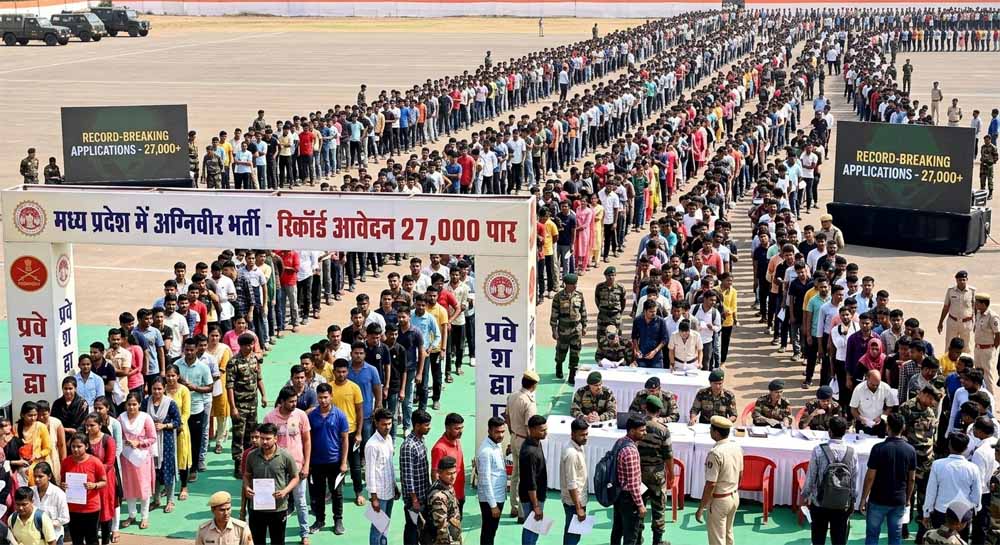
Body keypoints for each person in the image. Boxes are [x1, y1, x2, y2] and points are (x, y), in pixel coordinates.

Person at [263, 386, 311, 544]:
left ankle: (304, 533)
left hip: (297, 467)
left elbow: (307, 441)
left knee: (300, 502)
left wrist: (306, 465)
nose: (294, 404)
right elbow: (264, 442)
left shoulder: (301, 415)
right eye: (291, 401)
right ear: (282, 401)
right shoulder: (270, 417)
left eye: (295, 400)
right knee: (276, 502)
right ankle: (275, 534)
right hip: (277, 468)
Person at [860, 413, 916, 545]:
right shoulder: (910, 450)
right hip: (898, 500)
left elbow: (870, 477)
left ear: (887, 427)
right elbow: (912, 479)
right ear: (903, 427)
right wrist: (907, 499)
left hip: (877, 499)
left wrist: (863, 499)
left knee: (872, 536)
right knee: (895, 537)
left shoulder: (878, 448)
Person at [799, 416, 857, 545]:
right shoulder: (852, 452)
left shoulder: (819, 450)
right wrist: (853, 501)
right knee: (839, 540)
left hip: (820, 503)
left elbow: (811, 476)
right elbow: (854, 479)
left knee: (818, 539)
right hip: (842, 504)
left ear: (829, 431)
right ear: (845, 432)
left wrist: (804, 495)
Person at [244, 422, 299, 545]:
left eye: (268, 439)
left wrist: (285, 491)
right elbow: (247, 475)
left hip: (278, 509)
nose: (264, 442)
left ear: (275, 438)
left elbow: (295, 477)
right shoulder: (252, 456)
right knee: (257, 541)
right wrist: (247, 487)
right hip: (257, 508)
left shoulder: (285, 456)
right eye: (262, 438)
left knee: (278, 541)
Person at [921, 432, 981, 543]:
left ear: (949, 446)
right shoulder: (973, 468)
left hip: (941, 512)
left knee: (938, 541)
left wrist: (926, 513)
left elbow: (931, 491)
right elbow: (976, 495)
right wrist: (972, 511)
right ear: (966, 448)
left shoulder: (937, 464)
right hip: (962, 515)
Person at [307, 382, 350, 535]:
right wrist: (308, 462)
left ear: (331, 396)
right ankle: (319, 520)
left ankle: (338, 521)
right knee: (318, 494)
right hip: (316, 462)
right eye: (320, 397)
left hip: (335, 462)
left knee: (337, 493)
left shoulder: (340, 415)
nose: (323, 400)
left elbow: (345, 439)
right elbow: (308, 440)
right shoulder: (311, 416)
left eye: (325, 397)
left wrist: (344, 462)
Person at [695, 416, 744, 545]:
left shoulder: (715, 453)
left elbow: (711, 484)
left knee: (717, 539)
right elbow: (741, 474)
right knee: (728, 535)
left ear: (716, 432)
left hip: (720, 500)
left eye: (711, 429)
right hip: (734, 496)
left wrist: (701, 507)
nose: (710, 431)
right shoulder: (736, 447)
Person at [227, 333, 267, 479]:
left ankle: (249, 462)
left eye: (251, 345)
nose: (249, 347)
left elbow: (259, 378)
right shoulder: (233, 362)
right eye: (246, 345)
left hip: (252, 404)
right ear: (241, 346)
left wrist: (263, 395)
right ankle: (238, 464)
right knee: (239, 435)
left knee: (252, 434)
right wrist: (233, 407)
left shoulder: (254, 359)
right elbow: (229, 386)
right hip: (240, 405)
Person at [637, 396, 674, 545]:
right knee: (659, 508)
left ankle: (637, 539)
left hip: (639, 474)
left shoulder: (638, 425)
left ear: (645, 407)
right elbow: (668, 455)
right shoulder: (663, 430)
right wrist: (671, 474)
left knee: (638, 505)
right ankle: (657, 541)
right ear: (659, 411)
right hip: (657, 475)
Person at [60, 433, 107, 545]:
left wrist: (94, 485)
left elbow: (104, 482)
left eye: (79, 446)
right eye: (73, 446)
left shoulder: (95, 462)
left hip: (91, 507)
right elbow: (62, 481)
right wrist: (63, 485)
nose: (75, 449)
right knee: (76, 539)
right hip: (72, 507)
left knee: (92, 539)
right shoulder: (66, 462)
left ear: (86, 446)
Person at [118, 393, 155, 530]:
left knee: (143, 487)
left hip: (142, 457)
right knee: (129, 486)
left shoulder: (145, 418)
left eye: (134, 404)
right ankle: (131, 515)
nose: (132, 407)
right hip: (126, 457)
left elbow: (152, 438)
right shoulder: (121, 418)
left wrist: (139, 443)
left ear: (139, 404)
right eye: (129, 404)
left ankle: (144, 516)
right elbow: (117, 436)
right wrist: (126, 443)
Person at [143, 377, 180, 513]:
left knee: (168, 469)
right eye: (154, 389)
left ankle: (170, 500)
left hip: (166, 441)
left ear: (164, 388)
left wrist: (164, 426)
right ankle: (156, 499)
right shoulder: (146, 402)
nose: (157, 391)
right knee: (154, 470)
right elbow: (141, 418)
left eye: (159, 389)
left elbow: (178, 422)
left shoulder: (170, 403)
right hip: (151, 441)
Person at [506, 370, 538, 520]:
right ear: (534, 385)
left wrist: (512, 432)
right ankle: (521, 512)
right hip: (525, 440)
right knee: (525, 477)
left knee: (515, 475)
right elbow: (530, 427)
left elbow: (507, 417)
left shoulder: (512, 396)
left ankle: (514, 506)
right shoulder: (528, 402)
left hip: (514, 436)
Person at [81, 414, 116, 544]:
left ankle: (106, 541)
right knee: (89, 511)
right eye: (87, 425)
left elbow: (110, 462)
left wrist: (95, 475)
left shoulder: (108, 440)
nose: (89, 428)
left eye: (92, 425)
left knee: (105, 511)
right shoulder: (83, 439)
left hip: (104, 480)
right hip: (87, 480)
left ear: (100, 425)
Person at [611, 416, 647, 545]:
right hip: (629, 499)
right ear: (632, 431)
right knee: (631, 536)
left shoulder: (620, 442)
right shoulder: (630, 452)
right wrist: (640, 505)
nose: (645, 433)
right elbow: (633, 483)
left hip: (619, 494)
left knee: (617, 530)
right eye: (641, 430)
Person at [364, 408, 397, 545]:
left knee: (385, 526)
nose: (387, 427)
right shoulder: (372, 445)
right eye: (384, 424)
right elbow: (369, 473)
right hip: (379, 495)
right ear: (376, 423)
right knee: (377, 529)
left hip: (389, 491)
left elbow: (389, 465)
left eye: (389, 424)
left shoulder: (388, 439)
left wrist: (395, 486)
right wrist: (374, 498)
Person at [163, 365, 193, 501]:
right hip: (165, 429)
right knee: (167, 459)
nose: (170, 378)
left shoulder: (184, 390)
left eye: (173, 375)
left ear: (178, 376)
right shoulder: (162, 389)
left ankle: (184, 487)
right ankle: (168, 487)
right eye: (168, 376)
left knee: (182, 458)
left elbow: (186, 412)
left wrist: (178, 424)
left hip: (181, 429)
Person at [551, 273, 587, 382]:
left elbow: (583, 311)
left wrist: (584, 326)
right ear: (567, 284)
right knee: (561, 351)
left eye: (576, 283)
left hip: (576, 329)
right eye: (573, 284)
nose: (575, 286)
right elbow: (554, 314)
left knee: (575, 352)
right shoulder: (558, 297)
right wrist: (554, 330)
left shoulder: (579, 295)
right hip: (563, 330)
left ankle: (572, 373)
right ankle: (559, 366)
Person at [476, 416, 506, 545]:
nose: (501, 435)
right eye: (497, 432)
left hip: (497, 496)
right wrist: (493, 505)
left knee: (491, 531)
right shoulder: (486, 451)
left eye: (502, 431)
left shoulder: (496, 444)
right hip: (491, 499)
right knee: (488, 532)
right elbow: (485, 480)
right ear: (489, 431)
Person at [519, 415, 548, 543]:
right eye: (542, 430)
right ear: (532, 430)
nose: (545, 432)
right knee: (531, 529)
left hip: (536, 496)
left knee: (534, 528)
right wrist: (536, 506)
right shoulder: (530, 452)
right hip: (531, 498)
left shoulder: (536, 442)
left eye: (546, 429)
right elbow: (530, 482)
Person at [559, 418, 588, 545]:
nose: (585, 437)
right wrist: (578, 507)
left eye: (586, 434)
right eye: (582, 435)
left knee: (574, 534)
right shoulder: (571, 453)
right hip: (574, 503)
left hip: (576, 500)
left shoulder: (576, 446)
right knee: (573, 536)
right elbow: (571, 483)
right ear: (572, 434)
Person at [850, 369, 898, 436]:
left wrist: (881, 417)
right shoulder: (858, 389)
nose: (875, 387)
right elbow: (853, 409)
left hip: (880, 424)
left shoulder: (886, 388)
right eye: (872, 385)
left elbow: (890, 407)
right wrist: (862, 419)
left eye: (877, 385)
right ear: (867, 378)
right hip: (863, 425)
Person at [426, 456, 462, 545]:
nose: (453, 477)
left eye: (454, 472)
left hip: (453, 535)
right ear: (439, 473)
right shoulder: (438, 496)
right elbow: (441, 528)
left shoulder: (447, 485)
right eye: (449, 474)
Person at [31, 463, 69, 545]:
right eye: (35, 476)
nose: (36, 479)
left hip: (54, 536)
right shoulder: (30, 492)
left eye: (40, 476)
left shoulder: (59, 494)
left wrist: (46, 523)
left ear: (49, 476)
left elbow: (65, 518)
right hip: (34, 538)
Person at [16, 402, 51, 486]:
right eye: (30, 415)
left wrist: (36, 455)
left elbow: (48, 448)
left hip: (37, 465)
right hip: (19, 465)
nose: (33, 418)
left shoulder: (41, 427)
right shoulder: (16, 427)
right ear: (22, 415)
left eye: (35, 415)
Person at [938, 271, 975, 348]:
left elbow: (975, 308)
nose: (962, 282)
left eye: (964, 280)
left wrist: (976, 323)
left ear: (967, 279)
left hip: (966, 323)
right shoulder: (950, 291)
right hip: (953, 322)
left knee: (966, 346)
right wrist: (940, 322)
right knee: (949, 344)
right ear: (956, 280)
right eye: (960, 280)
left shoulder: (972, 291)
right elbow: (946, 307)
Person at [974, 293, 1000, 398]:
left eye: (977, 303)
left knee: (987, 375)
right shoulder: (978, 313)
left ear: (984, 304)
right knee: (977, 372)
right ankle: (979, 395)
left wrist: (993, 348)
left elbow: (998, 334)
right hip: (978, 348)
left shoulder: (992, 316)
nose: (975, 304)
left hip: (987, 350)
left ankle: (990, 398)